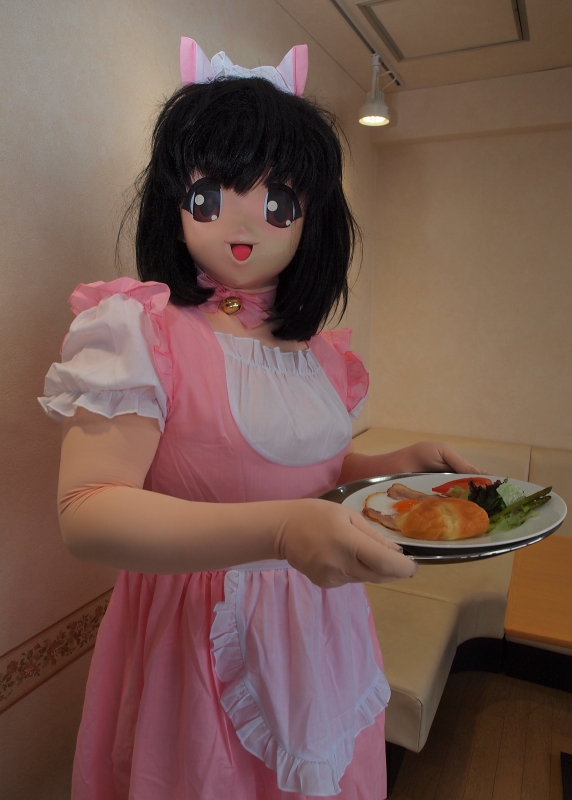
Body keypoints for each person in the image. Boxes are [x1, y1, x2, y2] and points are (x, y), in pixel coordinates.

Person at [40, 41, 480, 800]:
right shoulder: (138, 331)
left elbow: (299, 472)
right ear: (173, 201)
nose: (247, 221)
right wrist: (278, 532)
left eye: (279, 203)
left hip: (323, 631)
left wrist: (388, 468)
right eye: (210, 195)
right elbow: (87, 512)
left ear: (313, 220)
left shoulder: (317, 353)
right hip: (196, 645)